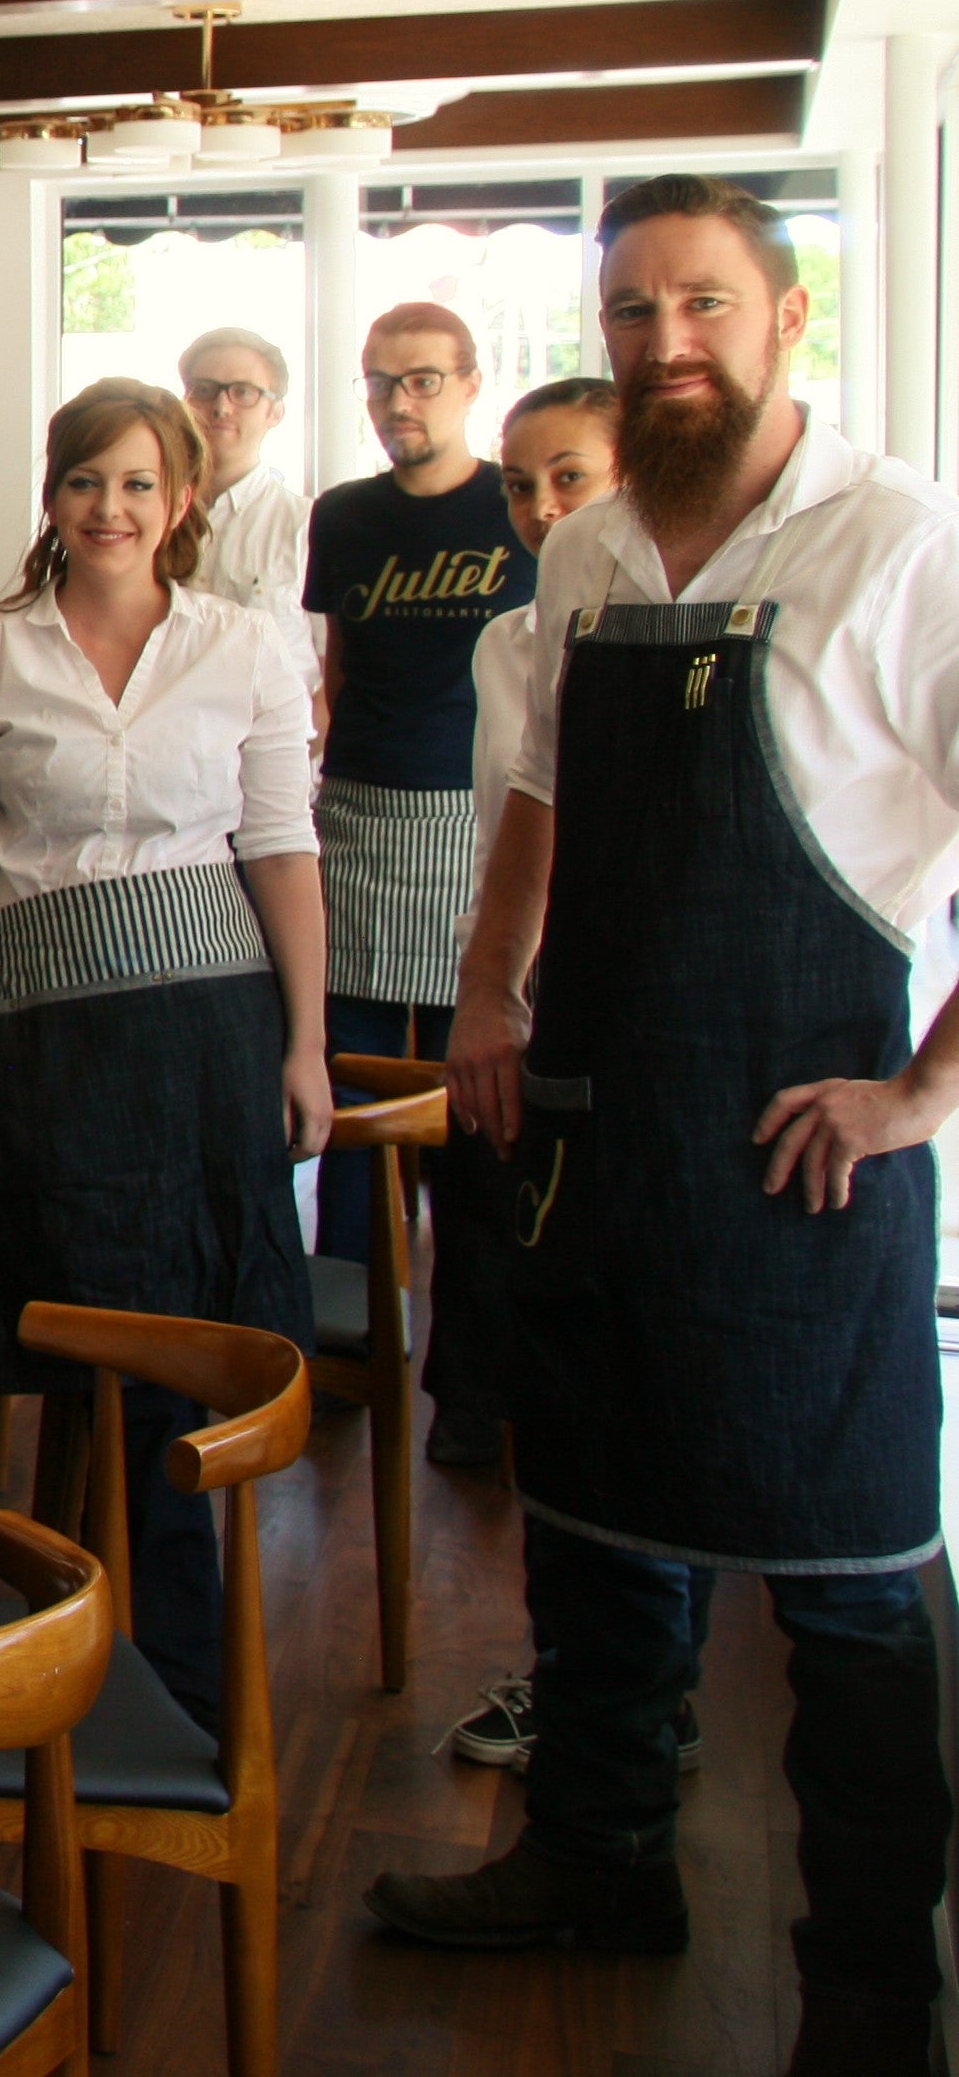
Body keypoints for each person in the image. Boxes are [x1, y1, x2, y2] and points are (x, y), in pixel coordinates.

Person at [370, 180, 959, 2076]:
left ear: (789, 319)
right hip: (597, 1127)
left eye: (702, 304)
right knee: (593, 1532)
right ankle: (597, 1860)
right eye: (631, 311)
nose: (663, 343)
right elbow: (539, 788)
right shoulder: (590, 551)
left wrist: (921, 1092)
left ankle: (870, 1991)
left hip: (804, 1163)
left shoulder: (899, 542)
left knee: (850, 1595)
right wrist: (486, 987)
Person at [0, 376, 326, 1733]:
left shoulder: (244, 646)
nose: (110, 507)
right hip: (46, 1041)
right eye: (85, 481)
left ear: (182, 500)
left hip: (209, 1034)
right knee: (89, 1346)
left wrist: (306, 1046)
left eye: (138, 482)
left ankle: (176, 1683)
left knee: (182, 1347)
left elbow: (281, 848)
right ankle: (84, 1649)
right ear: (51, 497)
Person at [425, 377, 623, 1481]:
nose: (541, 508)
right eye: (518, 485)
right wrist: (483, 975)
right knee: (483, 1196)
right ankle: (472, 1402)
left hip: (617, 971)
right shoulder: (503, 642)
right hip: (509, 965)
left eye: (569, 478)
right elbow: (499, 821)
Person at [302, 302, 530, 1245]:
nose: (399, 401)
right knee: (348, 1074)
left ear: (471, 385)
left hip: (479, 816)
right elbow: (339, 662)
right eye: (381, 382)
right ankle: (348, 1294)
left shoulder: (516, 504)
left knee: (468, 1075)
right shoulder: (342, 514)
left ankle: (475, 1292)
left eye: (423, 379)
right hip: (357, 812)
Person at [178, 326, 308, 633]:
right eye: (204, 390)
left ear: (275, 412)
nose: (221, 407)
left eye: (243, 392)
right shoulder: (149, 517)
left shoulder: (307, 526)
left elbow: (331, 651)